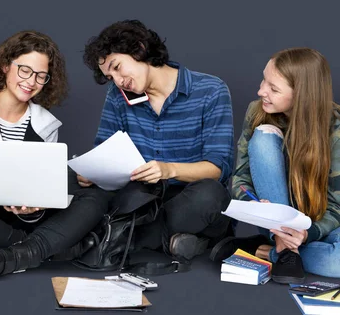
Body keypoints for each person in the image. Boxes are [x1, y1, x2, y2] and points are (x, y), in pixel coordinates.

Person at [0, 31, 111, 281]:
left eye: (41, 76)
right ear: (6, 65)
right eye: (25, 70)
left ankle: (18, 254)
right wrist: (2, 189)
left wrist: (35, 207)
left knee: (94, 197)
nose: (32, 81)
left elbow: (42, 188)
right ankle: (48, 248)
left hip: (25, 220)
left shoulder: (46, 125)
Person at [81, 19, 234, 261]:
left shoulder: (211, 90)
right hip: (141, 200)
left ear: (139, 49)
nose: (118, 80)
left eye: (117, 67)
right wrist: (91, 171)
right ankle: (177, 242)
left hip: (191, 199)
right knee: (79, 187)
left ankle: (118, 239)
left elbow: (217, 169)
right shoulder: (118, 96)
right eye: (110, 77)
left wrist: (168, 170)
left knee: (210, 195)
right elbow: (103, 150)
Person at [211, 47, 340, 283]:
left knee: (337, 262)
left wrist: (306, 233)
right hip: (275, 219)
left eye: (274, 88)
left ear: (301, 94)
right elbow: (241, 179)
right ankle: (282, 245)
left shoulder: (336, 131)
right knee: (263, 135)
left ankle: (268, 252)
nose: (261, 91)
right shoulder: (256, 112)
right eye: (264, 80)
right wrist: (257, 208)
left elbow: (337, 206)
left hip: (322, 224)